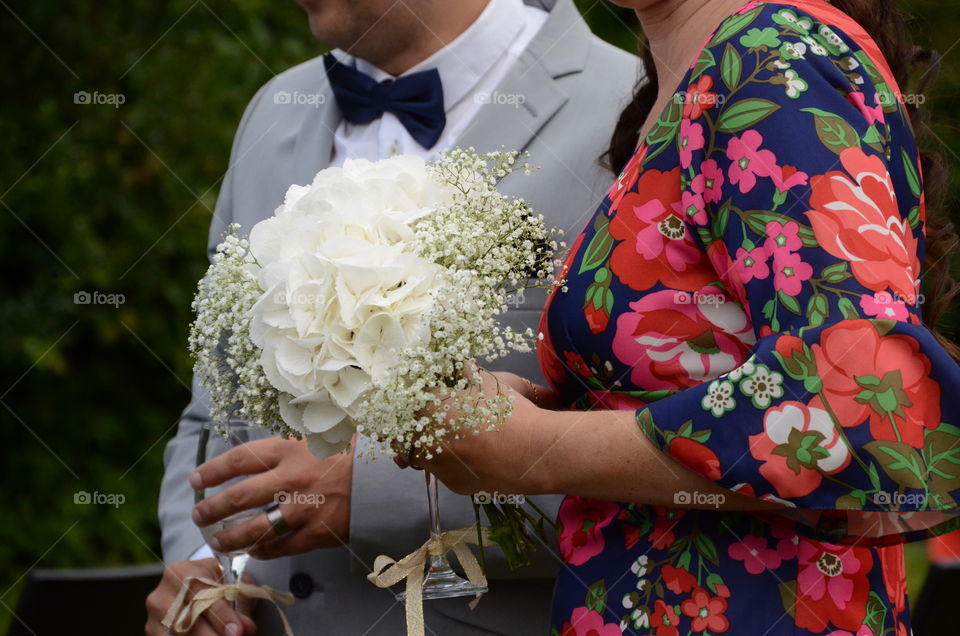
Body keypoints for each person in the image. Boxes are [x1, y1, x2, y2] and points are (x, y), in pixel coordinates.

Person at [412, 0, 960, 633]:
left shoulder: (775, 58)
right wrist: (533, 417)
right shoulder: (700, 75)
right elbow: (709, 387)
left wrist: (535, 449)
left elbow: (859, 400)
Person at [145, 0, 639, 634]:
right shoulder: (276, 104)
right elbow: (211, 410)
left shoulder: (636, 113)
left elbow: (679, 458)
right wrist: (200, 562)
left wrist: (374, 495)